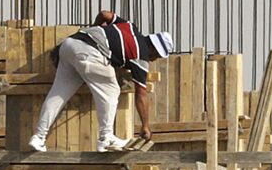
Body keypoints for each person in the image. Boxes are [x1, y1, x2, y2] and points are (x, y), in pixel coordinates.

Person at [27, 10, 173, 152]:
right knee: (111, 90)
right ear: (154, 50)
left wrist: (96, 28)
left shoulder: (130, 26)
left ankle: (39, 137)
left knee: (58, 95)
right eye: (157, 56)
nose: (154, 60)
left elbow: (105, 14)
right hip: (90, 53)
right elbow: (141, 94)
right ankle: (106, 137)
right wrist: (145, 125)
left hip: (69, 45)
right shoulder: (141, 57)